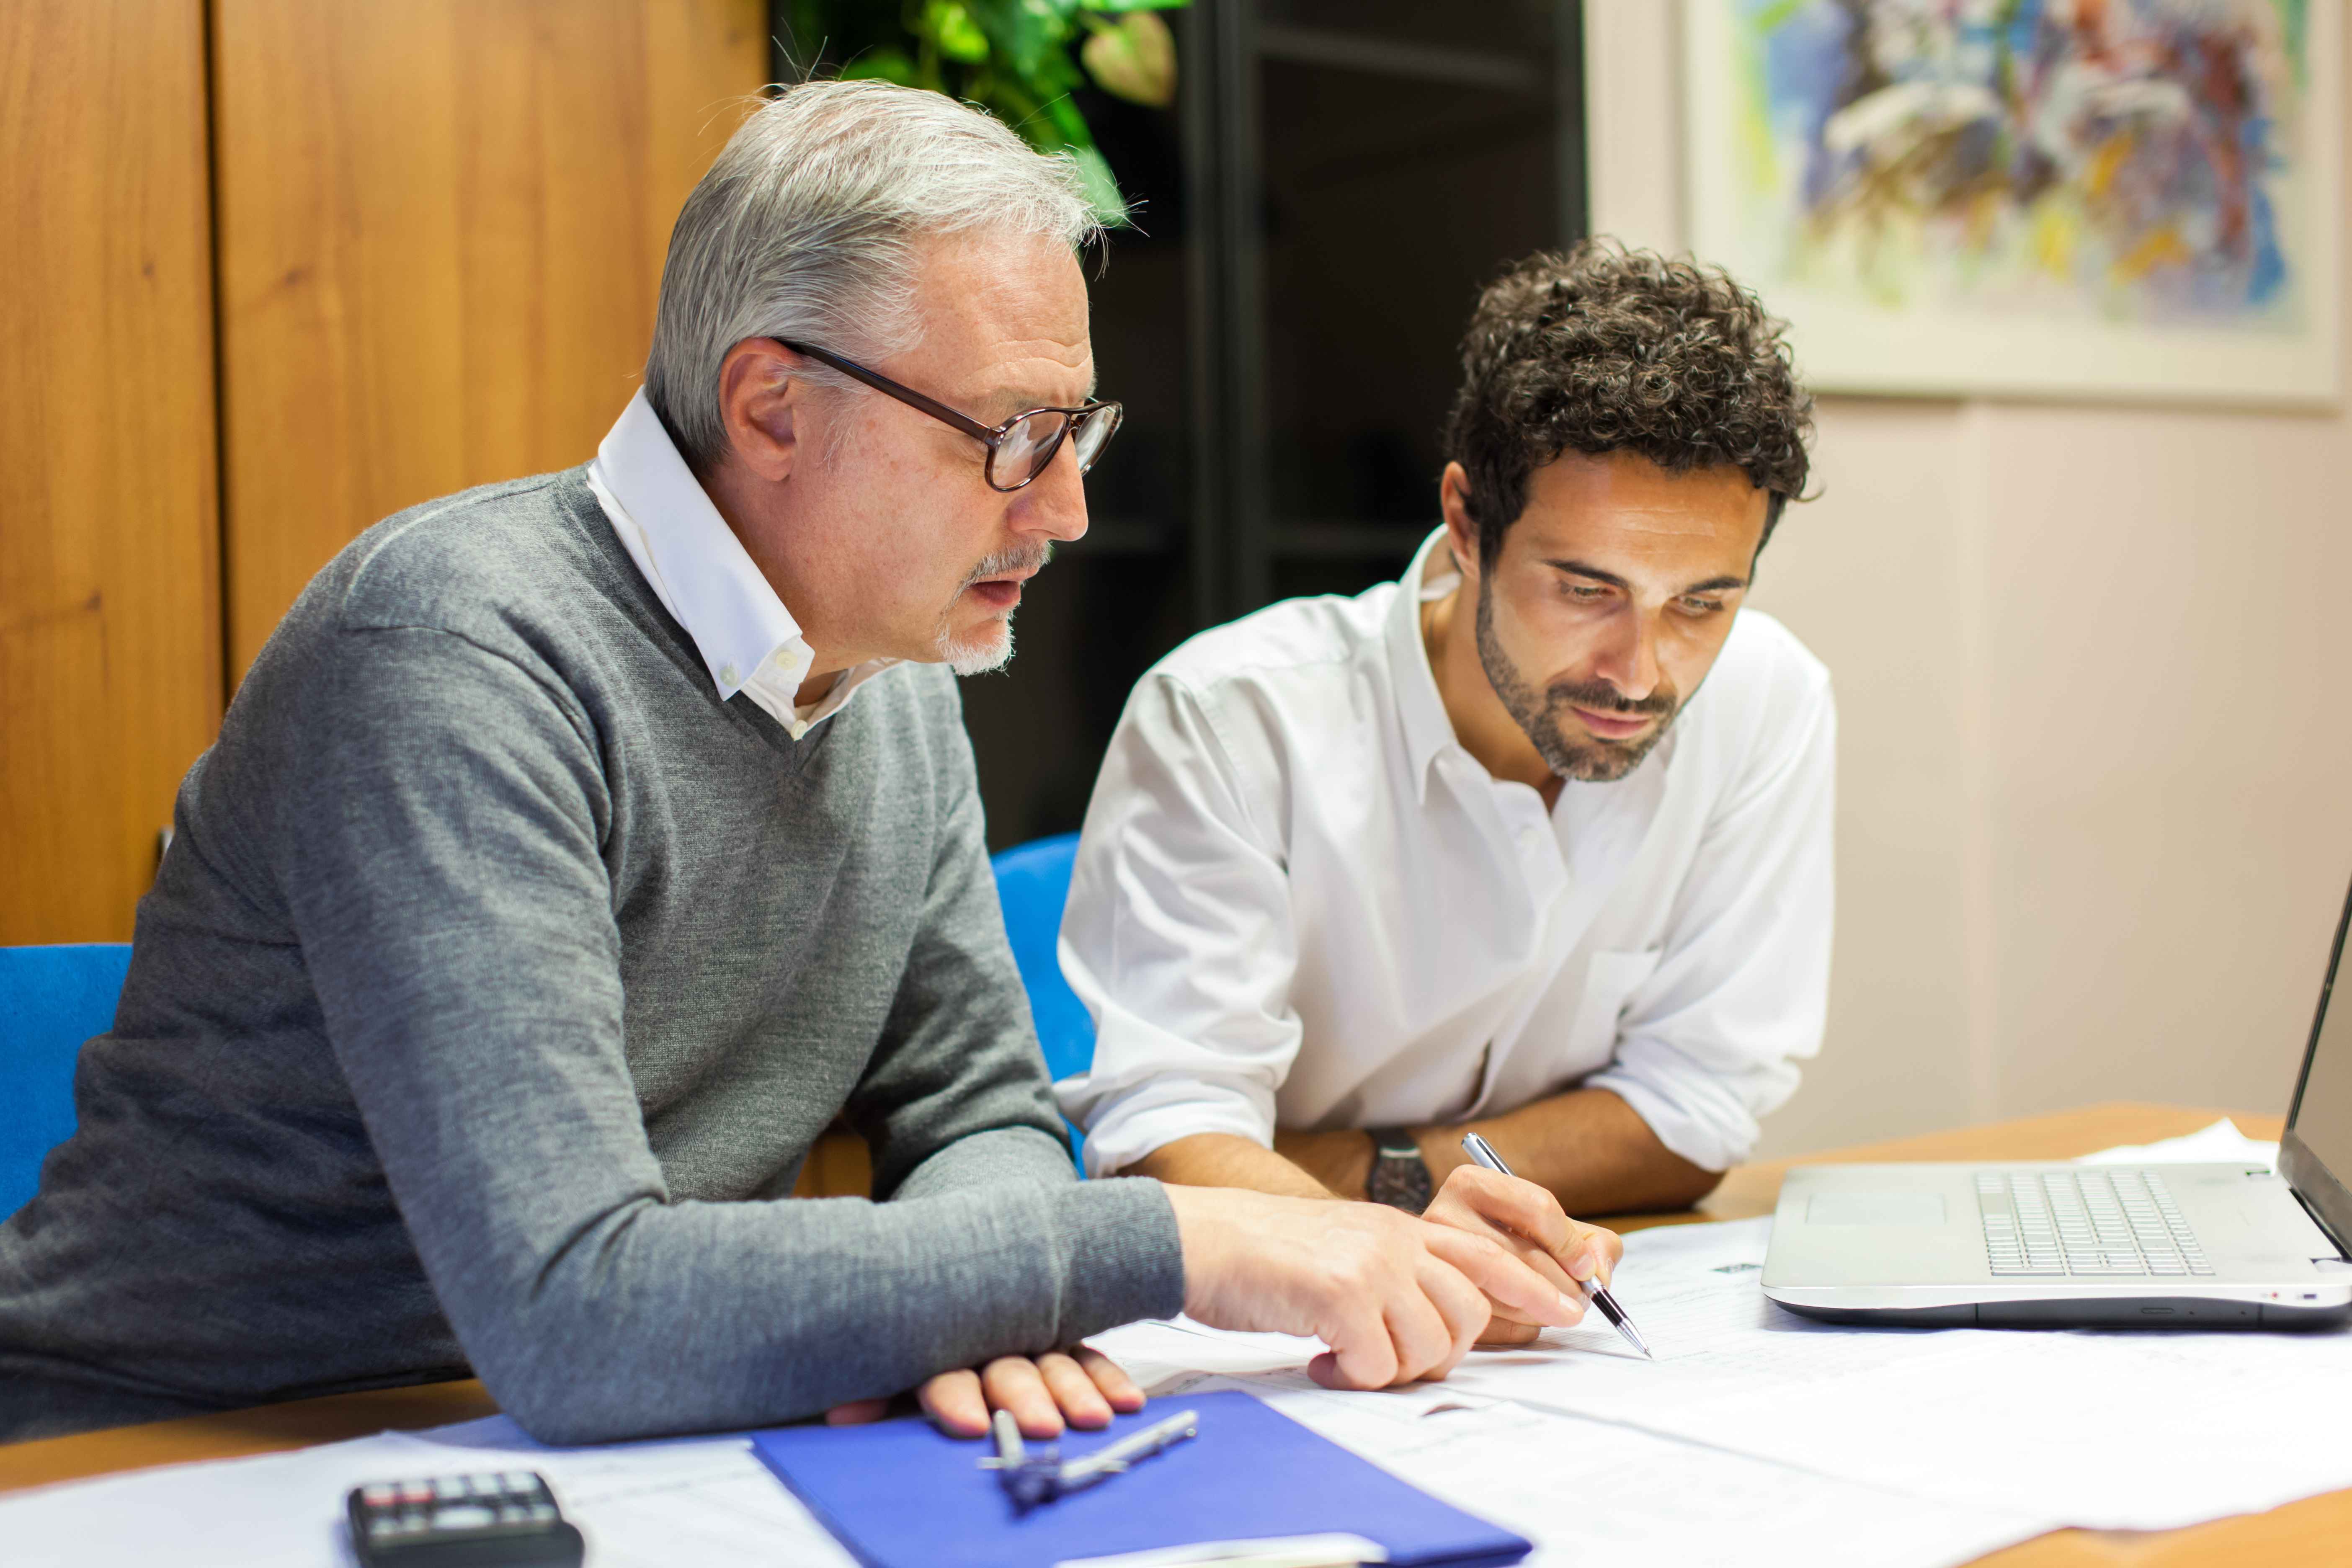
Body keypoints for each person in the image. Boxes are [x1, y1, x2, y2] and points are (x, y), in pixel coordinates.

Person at [0, 83, 1613, 1447]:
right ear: (771, 404)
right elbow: (578, 1307)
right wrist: (1180, 1239)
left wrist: (978, 1293)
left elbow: (972, 1102)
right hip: (175, 1453)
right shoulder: (453, 652)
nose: (1060, 512)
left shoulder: (889, 670)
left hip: (619, 1439)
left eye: (1076, 434)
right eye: (1009, 438)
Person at [1056, 243, 1832, 1245]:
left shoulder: (1767, 700)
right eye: (1587, 590)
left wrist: (1382, 1176)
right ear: (1467, 522)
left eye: (1701, 603)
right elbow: (1174, 1144)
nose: (1640, 672)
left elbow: (1697, 1112)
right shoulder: (1232, 721)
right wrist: (1421, 1249)